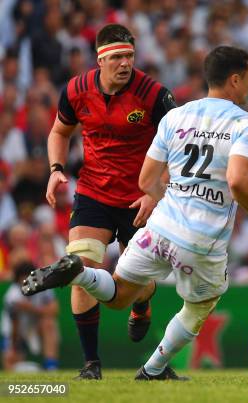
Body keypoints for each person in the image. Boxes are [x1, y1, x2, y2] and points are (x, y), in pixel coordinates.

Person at [22, 45, 248, 380]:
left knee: (119, 295)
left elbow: (145, 179)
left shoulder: (176, 116)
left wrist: (163, 197)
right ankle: (153, 370)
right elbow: (238, 179)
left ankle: (78, 272)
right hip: (203, 239)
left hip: (161, 227)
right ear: (235, 80)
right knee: (200, 305)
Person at [45, 24, 177, 379]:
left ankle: (143, 300)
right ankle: (91, 364)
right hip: (93, 194)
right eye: (117, 57)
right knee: (80, 267)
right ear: (100, 59)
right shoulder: (76, 90)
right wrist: (56, 168)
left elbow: (175, 153)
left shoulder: (154, 95)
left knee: (132, 283)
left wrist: (155, 193)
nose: (125, 64)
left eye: (129, 56)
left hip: (138, 199)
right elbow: (60, 131)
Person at [2, 262, 59, 371]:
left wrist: (31, 308)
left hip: (36, 329)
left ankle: (51, 366)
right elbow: (14, 326)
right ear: (17, 280)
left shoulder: (43, 287)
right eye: (23, 280)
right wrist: (14, 348)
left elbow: (54, 310)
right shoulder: (12, 296)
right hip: (16, 334)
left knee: (48, 323)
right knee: (10, 365)